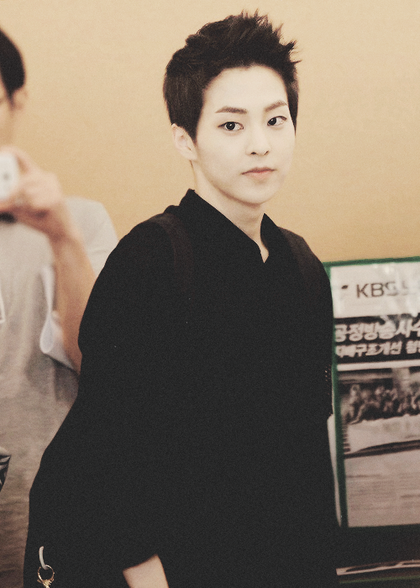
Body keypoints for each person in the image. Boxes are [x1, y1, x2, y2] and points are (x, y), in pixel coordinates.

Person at [25, 12, 338, 588]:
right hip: (175, 567)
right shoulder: (150, 262)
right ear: (184, 139)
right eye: (231, 125)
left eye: (276, 119)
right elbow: (107, 453)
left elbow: (304, 451)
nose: (261, 144)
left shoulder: (300, 265)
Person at [0, 28, 118, 588]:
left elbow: (101, 362)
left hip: (56, 524)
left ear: (16, 100)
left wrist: (63, 239)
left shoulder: (81, 222)